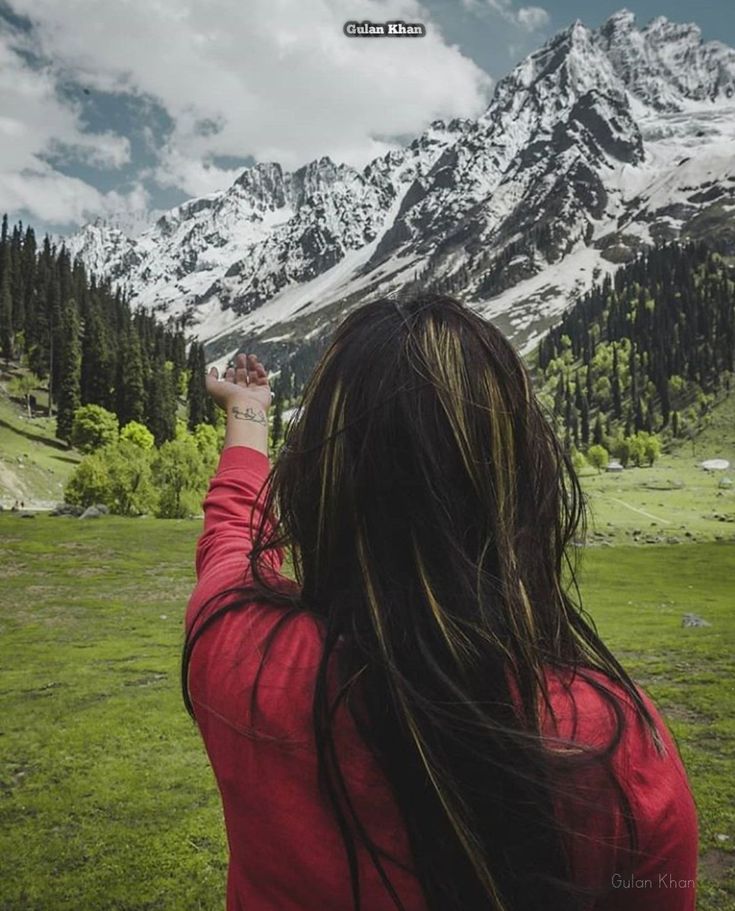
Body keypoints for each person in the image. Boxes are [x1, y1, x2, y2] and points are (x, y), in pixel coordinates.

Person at [183, 294, 697, 911]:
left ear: (320, 484)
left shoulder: (236, 652)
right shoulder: (617, 749)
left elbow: (232, 538)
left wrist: (247, 416)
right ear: (523, 487)